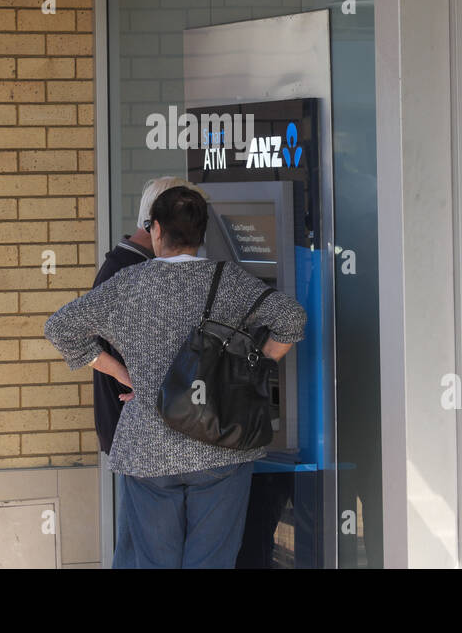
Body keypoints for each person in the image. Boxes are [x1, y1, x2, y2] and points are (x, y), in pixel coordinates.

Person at [45, 185, 306, 568]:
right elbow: (291, 319)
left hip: (148, 445)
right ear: (201, 234)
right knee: (212, 560)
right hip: (221, 440)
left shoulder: (127, 285)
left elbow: (60, 328)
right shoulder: (229, 281)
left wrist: (122, 373)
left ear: (155, 230)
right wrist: (257, 366)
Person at [89, 176, 206, 567]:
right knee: (141, 547)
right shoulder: (126, 273)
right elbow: (71, 331)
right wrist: (131, 378)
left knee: (143, 543)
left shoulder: (133, 266)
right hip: (136, 429)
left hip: (142, 430)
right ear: (156, 224)